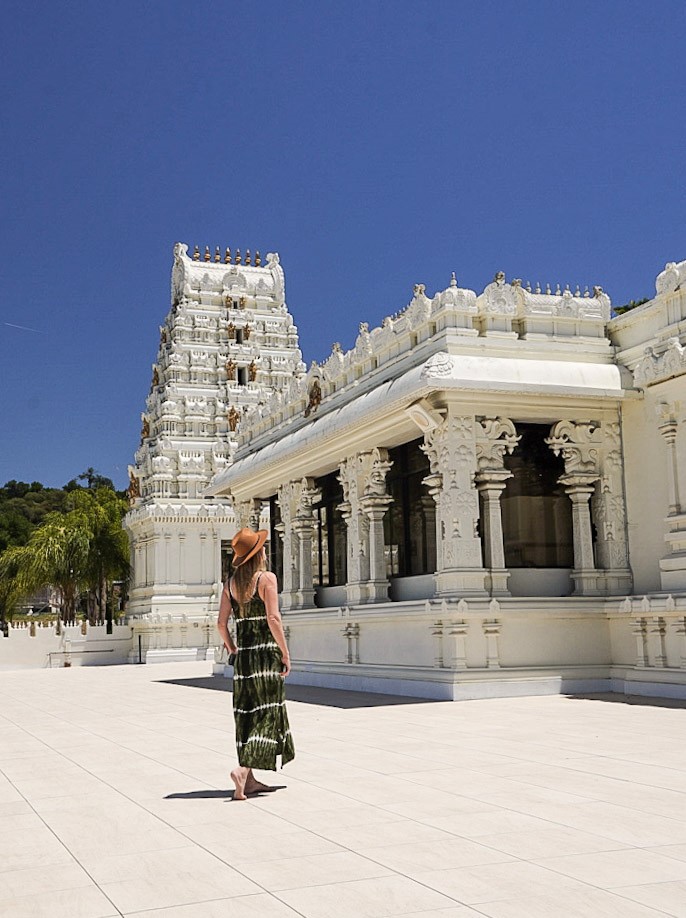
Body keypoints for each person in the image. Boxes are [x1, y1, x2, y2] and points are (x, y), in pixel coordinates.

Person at [217, 526, 295, 800]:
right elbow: (273, 619)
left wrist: (233, 648)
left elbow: (220, 623)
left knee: (246, 714)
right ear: (259, 553)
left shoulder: (229, 584)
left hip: (244, 658)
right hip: (264, 656)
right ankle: (242, 769)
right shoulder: (266, 579)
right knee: (266, 712)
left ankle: (248, 782)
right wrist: (284, 652)